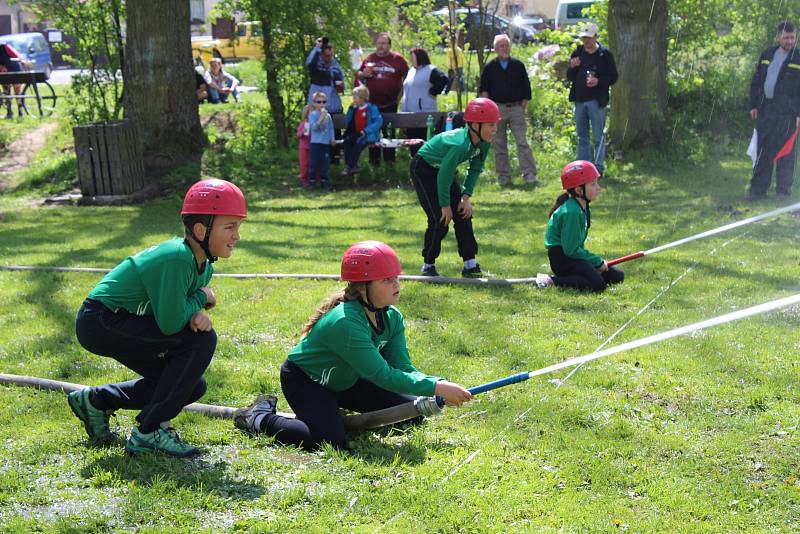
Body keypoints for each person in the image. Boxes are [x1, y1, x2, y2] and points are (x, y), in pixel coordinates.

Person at [233, 241, 472, 451]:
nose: (396, 284)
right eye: (387, 280)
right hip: (307, 381)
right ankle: (259, 417)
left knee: (412, 413)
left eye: (396, 277)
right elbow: (383, 375)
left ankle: (331, 412)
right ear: (361, 287)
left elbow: (402, 367)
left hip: (348, 379)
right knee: (328, 440)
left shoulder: (392, 317)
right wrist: (436, 387)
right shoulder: (346, 322)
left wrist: (435, 385)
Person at [68, 179, 247, 457]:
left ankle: (96, 400)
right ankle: (149, 431)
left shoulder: (202, 265)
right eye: (229, 227)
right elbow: (171, 323)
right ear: (201, 229)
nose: (237, 236)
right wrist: (201, 299)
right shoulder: (177, 257)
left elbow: (177, 311)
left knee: (190, 385)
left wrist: (198, 310)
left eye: (238, 227)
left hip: (115, 321)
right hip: (100, 321)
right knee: (200, 342)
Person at [409, 97, 499, 278]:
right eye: (490, 125)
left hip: (444, 171)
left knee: (463, 214)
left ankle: (470, 264)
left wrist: (465, 197)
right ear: (475, 124)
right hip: (424, 169)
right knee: (440, 219)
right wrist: (444, 205)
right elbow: (443, 175)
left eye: (495, 125)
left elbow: (475, 168)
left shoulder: (484, 141)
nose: (494, 130)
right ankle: (428, 265)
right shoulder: (460, 145)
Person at [536, 160, 623, 292]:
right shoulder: (572, 212)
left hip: (572, 256)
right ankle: (550, 281)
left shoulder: (582, 207)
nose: (598, 188)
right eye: (593, 184)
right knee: (598, 285)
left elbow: (576, 247)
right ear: (579, 190)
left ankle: (581, 277)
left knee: (616, 276)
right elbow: (571, 250)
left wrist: (593, 264)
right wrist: (597, 262)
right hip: (563, 260)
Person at [748, 21, 800, 199]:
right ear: (778, 37)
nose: (789, 41)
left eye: (792, 37)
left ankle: (782, 192)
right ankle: (757, 190)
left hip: (788, 114)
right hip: (766, 110)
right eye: (786, 37)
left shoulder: (798, 57)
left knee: (786, 153)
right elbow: (756, 81)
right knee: (763, 151)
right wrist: (754, 105)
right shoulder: (767, 54)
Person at [479, 34, 537, 186]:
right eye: (501, 46)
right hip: (497, 110)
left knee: (522, 143)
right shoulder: (490, 67)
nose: (504, 48)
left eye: (506, 45)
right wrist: (490, 110)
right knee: (499, 145)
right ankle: (504, 177)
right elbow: (484, 90)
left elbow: (526, 89)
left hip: (516, 108)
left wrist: (521, 107)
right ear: (496, 49)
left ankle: (529, 174)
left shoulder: (518, 65)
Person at [566, 23, 618, 177]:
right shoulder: (578, 52)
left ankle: (598, 168)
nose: (585, 41)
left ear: (596, 37)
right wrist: (572, 66)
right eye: (583, 38)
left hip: (596, 101)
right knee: (582, 136)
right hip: (579, 101)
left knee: (597, 136)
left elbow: (614, 77)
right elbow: (569, 77)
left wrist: (598, 81)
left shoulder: (605, 55)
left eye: (588, 38)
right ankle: (583, 168)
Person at [357, 32, 409, 166]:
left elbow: (408, 80)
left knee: (389, 134)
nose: (381, 46)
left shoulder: (398, 59)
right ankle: (374, 164)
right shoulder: (369, 59)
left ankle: (390, 163)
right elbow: (358, 78)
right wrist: (363, 74)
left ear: (389, 45)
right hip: (372, 105)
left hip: (390, 103)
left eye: (384, 43)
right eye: (379, 43)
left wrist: (399, 98)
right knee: (373, 134)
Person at [401, 47, 448, 155]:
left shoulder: (431, 70)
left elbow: (443, 79)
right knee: (412, 143)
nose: (410, 59)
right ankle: (415, 166)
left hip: (424, 113)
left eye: (412, 57)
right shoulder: (411, 71)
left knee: (424, 143)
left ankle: (426, 167)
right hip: (409, 113)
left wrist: (433, 92)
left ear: (419, 57)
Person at [341, 85, 382, 176]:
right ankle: (353, 166)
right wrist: (350, 109)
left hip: (368, 135)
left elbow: (378, 121)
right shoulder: (355, 109)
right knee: (347, 141)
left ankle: (349, 167)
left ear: (362, 98)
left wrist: (367, 130)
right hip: (357, 133)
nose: (353, 99)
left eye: (355, 97)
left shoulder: (371, 108)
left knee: (358, 143)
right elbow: (347, 122)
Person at [308, 91, 335, 189]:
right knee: (314, 161)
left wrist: (332, 139)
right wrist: (320, 119)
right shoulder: (313, 115)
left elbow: (331, 128)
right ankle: (312, 180)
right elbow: (314, 128)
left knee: (325, 161)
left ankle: (324, 180)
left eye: (324, 102)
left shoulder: (328, 116)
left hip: (325, 142)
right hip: (315, 142)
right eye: (319, 102)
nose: (321, 104)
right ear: (314, 103)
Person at [0, 42, 25, 118]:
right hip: (15, 72)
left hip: (6, 74)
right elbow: (17, 56)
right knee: (17, 91)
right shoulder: (5, 46)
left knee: (7, 90)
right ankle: (20, 112)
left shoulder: (4, 46)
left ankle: (9, 112)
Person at [296, 104, 314, 187]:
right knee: (304, 164)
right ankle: (303, 178)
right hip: (304, 147)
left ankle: (313, 178)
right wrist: (302, 132)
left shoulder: (315, 123)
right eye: (310, 112)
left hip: (313, 146)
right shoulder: (304, 123)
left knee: (312, 163)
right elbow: (298, 135)